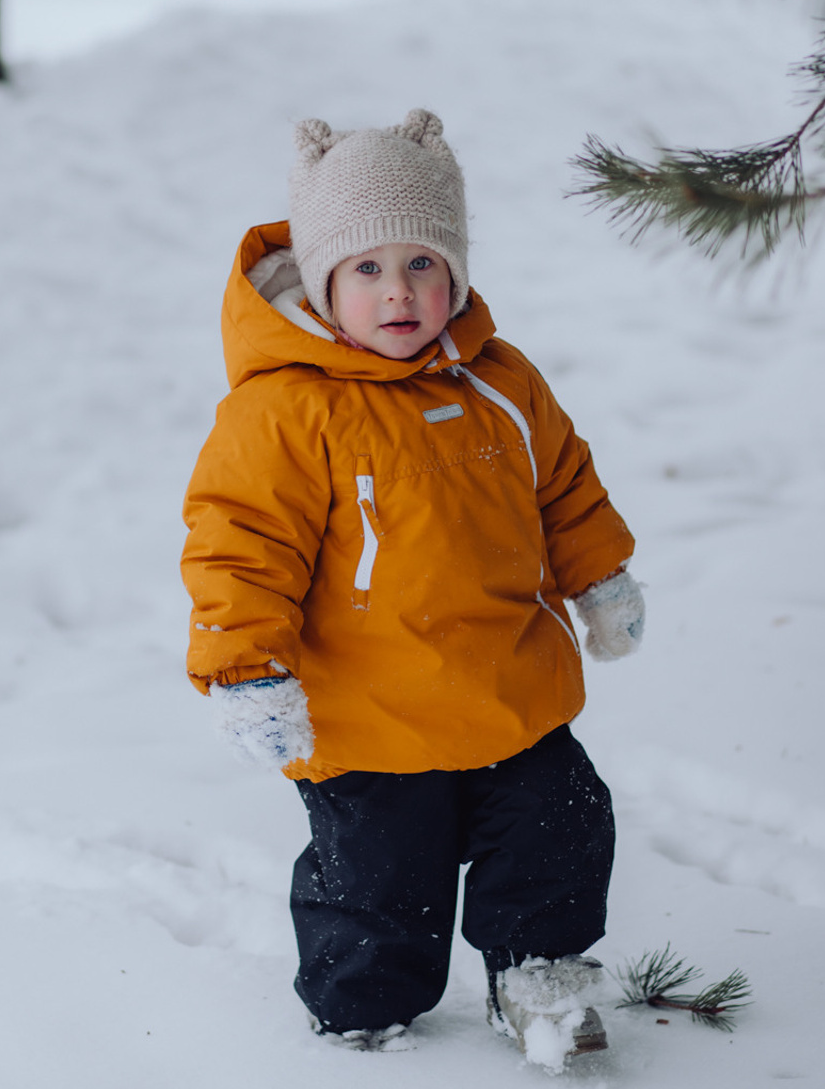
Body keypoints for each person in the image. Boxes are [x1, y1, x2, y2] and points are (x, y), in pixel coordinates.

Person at [180, 109, 645, 1065]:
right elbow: (240, 544)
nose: (400, 292)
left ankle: (542, 978)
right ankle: (363, 1011)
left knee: (560, 826)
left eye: (423, 264)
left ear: (457, 273)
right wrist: (248, 671)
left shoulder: (501, 382)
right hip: (370, 716)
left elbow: (563, 483)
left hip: (510, 688)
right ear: (323, 283)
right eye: (368, 269)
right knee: (380, 880)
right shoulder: (285, 410)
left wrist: (599, 576)